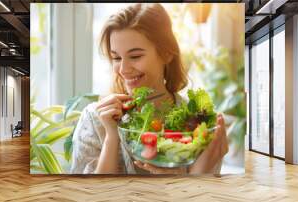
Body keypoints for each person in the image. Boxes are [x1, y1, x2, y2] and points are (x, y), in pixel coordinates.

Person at [70, 3, 228, 174]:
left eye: (135, 56)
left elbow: (204, 197)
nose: (123, 69)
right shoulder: (95, 119)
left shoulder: (199, 122)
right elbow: (89, 197)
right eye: (116, 58)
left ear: (166, 53)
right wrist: (111, 137)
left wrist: (190, 177)